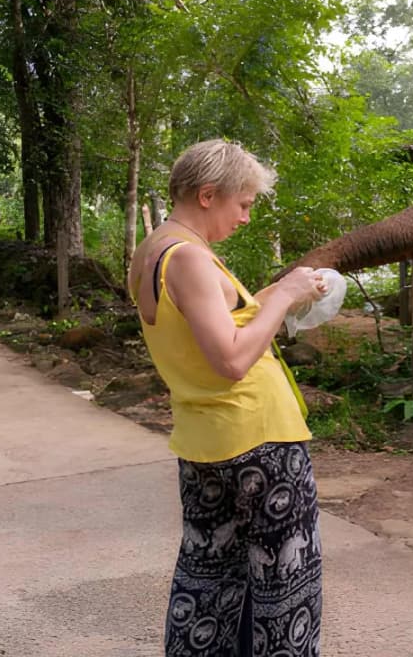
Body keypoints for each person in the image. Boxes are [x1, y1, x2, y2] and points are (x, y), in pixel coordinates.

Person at [127, 139, 327, 656]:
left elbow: (217, 324)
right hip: (260, 442)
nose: (245, 218)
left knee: (209, 584)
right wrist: (282, 296)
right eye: (243, 204)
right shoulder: (191, 258)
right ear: (208, 194)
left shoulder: (152, 251)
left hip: (205, 443)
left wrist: (279, 294)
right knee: (284, 590)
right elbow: (232, 360)